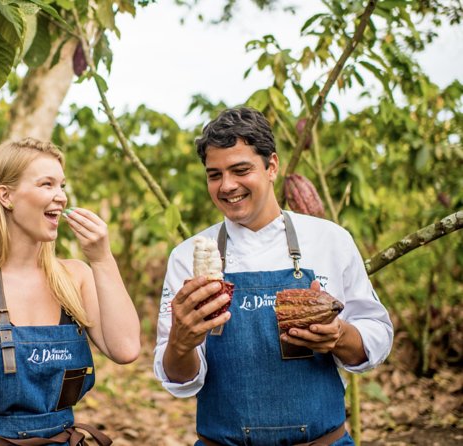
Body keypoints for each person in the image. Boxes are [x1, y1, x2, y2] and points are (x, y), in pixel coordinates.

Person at [154, 107, 393, 446]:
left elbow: (377, 333)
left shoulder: (329, 240)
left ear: (272, 167)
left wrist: (339, 337)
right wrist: (181, 342)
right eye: (214, 174)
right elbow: (179, 379)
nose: (227, 186)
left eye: (240, 170)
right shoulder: (186, 257)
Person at [0, 138, 141, 445]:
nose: (61, 196)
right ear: (6, 196)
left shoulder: (75, 277)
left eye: (62, 185)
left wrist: (101, 258)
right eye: (47, 184)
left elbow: (125, 349)